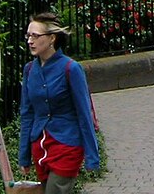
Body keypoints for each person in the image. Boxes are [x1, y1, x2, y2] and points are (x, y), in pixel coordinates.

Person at [18, 13, 100, 193]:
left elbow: (84, 113)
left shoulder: (71, 68)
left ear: (52, 38)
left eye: (35, 36)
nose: (30, 41)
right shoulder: (29, 69)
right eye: (28, 36)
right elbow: (27, 113)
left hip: (67, 144)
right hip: (40, 146)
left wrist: (92, 156)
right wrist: (24, 156)